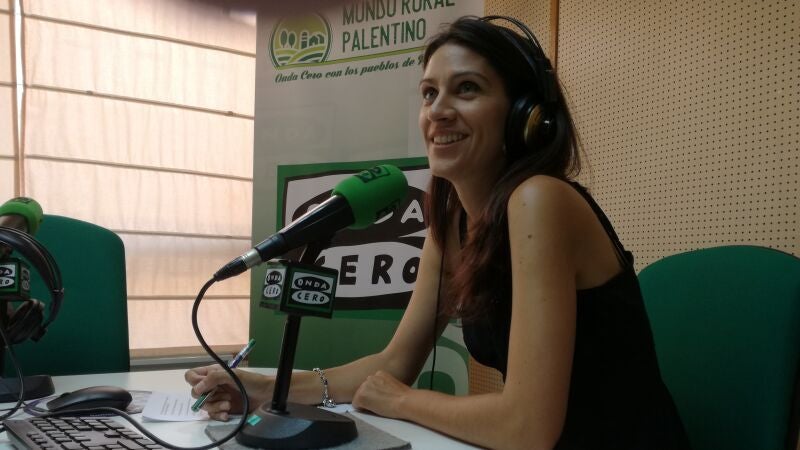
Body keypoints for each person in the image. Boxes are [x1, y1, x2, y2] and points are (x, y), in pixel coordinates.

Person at [185, 16, 691, 449]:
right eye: (429, 93)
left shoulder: (540, 200)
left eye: (467, 89)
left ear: (526, 115)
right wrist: (262, 388)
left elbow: (527, 427)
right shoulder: (451, 219)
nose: (438, 111)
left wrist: (404, 401)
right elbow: (393, 365)